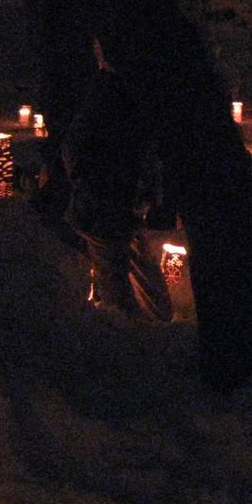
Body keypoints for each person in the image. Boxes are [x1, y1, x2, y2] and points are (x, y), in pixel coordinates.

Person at [61, 37, 172, 322]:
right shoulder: (109, 94)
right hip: (104, 210)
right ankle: (125, 344)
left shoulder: (127, 94)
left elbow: (143, 154)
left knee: (148, 288)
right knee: (116, 294)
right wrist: (97, 188)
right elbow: (77, 147)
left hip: (124, 210)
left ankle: (155, 331)